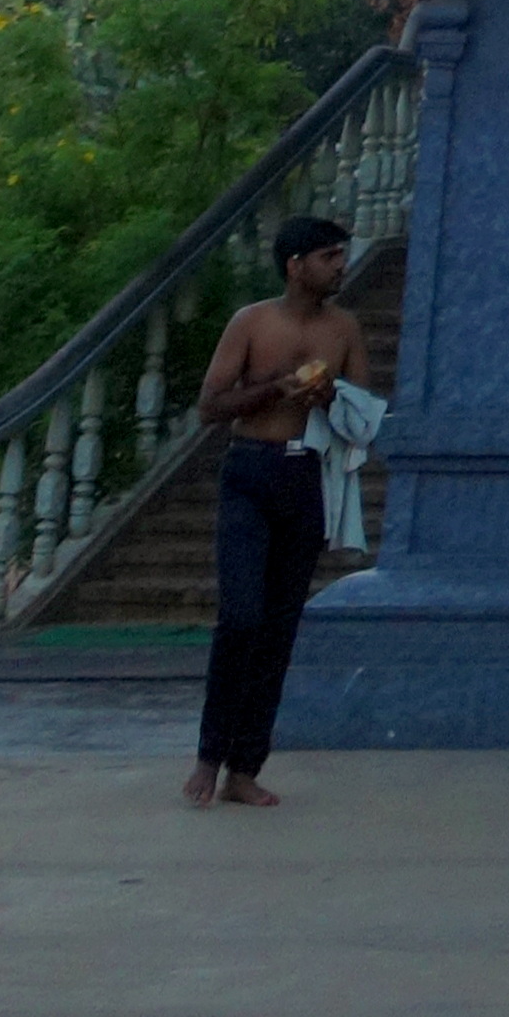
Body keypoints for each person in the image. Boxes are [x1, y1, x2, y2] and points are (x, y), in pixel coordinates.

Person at [186, 213, 363, 807]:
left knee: (279, 628)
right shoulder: (252, 322)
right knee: (241, 618)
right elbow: (210, 406)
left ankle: (245, 767)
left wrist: (330, 396)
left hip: (305, 476)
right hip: (250, 471)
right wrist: (274, 388)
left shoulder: (345, 329)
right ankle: (209, 755)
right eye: (329, 257)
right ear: (295, 264)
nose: (339, 266)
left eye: (341, 256)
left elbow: (366, 413)